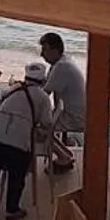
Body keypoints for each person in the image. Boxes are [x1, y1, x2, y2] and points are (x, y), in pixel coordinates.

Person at [0, 60, 52, 219]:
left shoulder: (12, 90)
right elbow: (47, 122)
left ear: (26, 77)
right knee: (17, 175)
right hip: (19, 137)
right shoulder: (43, 97)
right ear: (43, 81)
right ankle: (12, 209)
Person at [38, 31, 86, 171]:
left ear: (55, 50)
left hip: (73, 116)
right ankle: (65, 153)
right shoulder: (63, 62)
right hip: (68, 111)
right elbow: (45, 85)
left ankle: (63, 157)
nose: (42, 54)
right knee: (43, 124)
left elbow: (43, 94)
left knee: (35, 128)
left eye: (45, 49)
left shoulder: (62, 67)